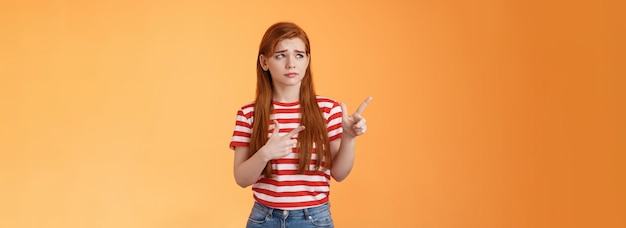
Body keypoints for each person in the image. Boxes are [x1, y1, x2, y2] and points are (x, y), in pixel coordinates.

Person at [229, 22, 372, 228]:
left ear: (307, 60)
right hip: (264, 219)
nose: (291, 64)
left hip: (314, 219)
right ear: (264, 61)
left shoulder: (327, 109)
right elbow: (241, 179)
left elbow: (339, 174)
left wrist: (349, 138)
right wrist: (265, 153)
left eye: (299, 55)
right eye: (280, 55)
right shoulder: (249, 114)